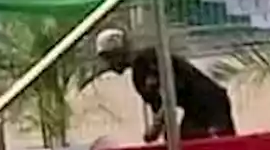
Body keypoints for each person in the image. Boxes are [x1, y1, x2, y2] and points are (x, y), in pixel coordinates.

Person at [94, 28, 236, 143]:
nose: (108, 64)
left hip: (211, 104)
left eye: (109, 58)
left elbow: (171, 91)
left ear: (119, 53)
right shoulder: (138, 77)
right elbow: (161, 109)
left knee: (223, 147)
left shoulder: (147, 58)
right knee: (186, 145)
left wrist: (156, 127)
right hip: (195, 111)